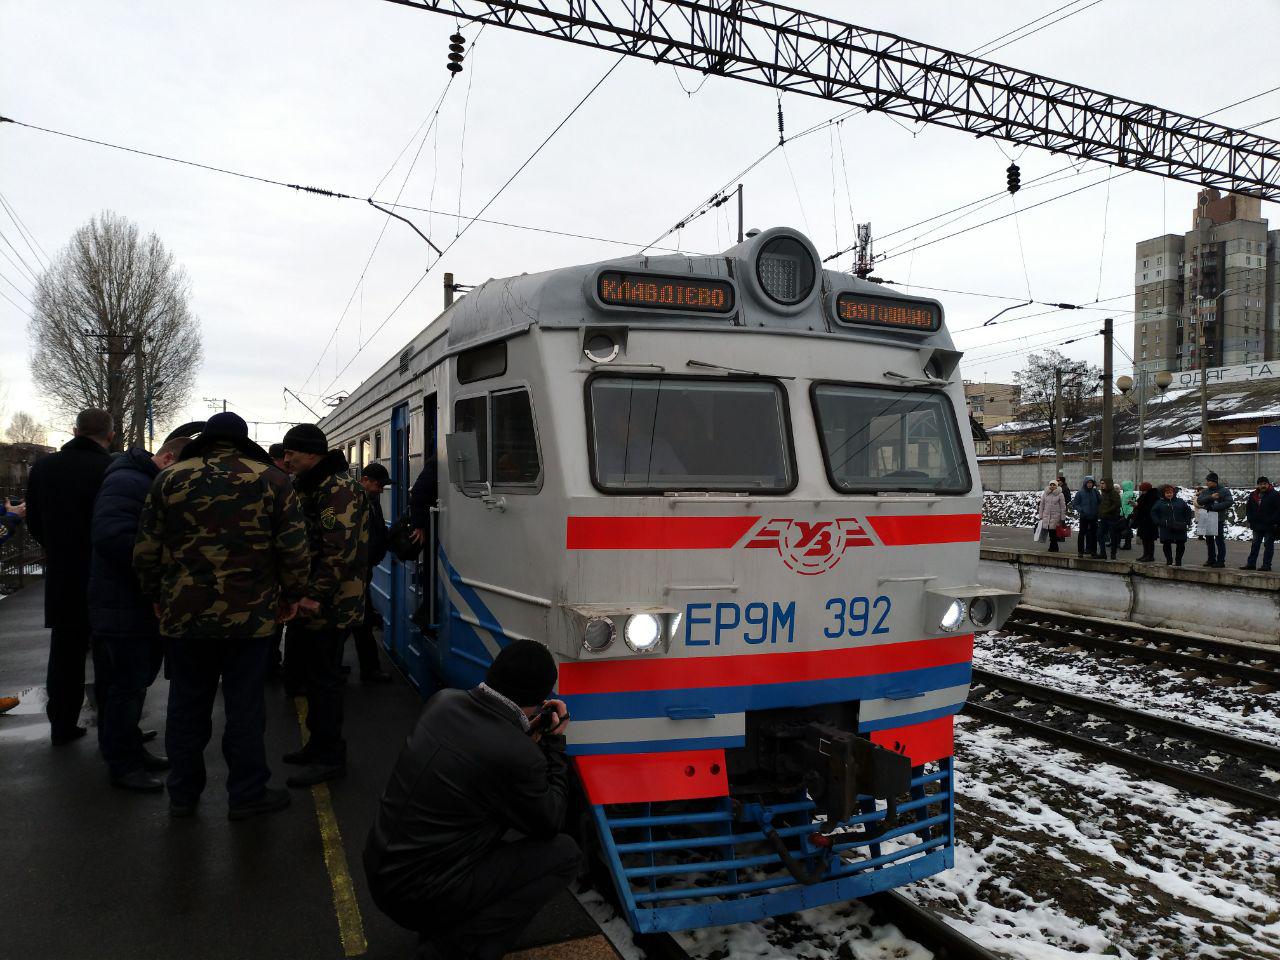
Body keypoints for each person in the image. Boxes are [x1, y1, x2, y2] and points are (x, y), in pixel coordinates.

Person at [134, 412, 310, 819]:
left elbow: (145, 549)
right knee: (245, 706)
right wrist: (293, 595)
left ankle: (182, 793)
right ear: (243, 441)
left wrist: (155, 595)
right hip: (250, 617)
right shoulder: (273, 480)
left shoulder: (169, 479)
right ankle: (247, 794)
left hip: (185, 616)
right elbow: (294, 549)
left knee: (186, 704)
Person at [364, 639, 580, 960]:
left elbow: (483, 753)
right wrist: (556, 745)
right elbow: (550, 821)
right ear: (540, 698)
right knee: (564, 854)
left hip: (381, 870)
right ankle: (451, 949)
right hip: (417, 896)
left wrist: (523, 739)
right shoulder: (518, 755)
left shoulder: (442, 703)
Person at [87, 436, 188, 791]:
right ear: (168, 459)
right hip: (122, 605)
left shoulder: (137, 479)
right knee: (124, 689)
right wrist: (163, 566)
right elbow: (113, 537)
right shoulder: (129, 481)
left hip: (128, 604)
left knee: (131, 687)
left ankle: (130, 752)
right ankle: (123, 766)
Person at [280, 423, 370, 788]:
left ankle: (331, 756)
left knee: (325, 679)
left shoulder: (337, 489)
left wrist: (314, 595)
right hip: (315, 599)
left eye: (292, 453)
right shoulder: (316, 484)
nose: (286, 459)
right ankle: (318, 745)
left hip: (331, 602)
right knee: (312, 677)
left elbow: (337, 550)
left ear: (312, 454)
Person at [24, 409, 115, 745]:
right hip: (104, 573)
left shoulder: (45, 467)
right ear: (110, 434)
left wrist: (56, 546)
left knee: (65, 652)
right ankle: (113, 727)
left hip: (63, 572)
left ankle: (62, 724)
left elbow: (33, 519)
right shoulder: (110, 468)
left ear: (75, 430)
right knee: (108, 652)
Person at [349, 463, 393, 683]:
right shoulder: (353, 501)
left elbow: (377, 532)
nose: (381, 489)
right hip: (353, 574)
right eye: (378, 484)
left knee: (359, 623)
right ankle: (369, 670)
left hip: (363, 572)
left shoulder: (372, 501)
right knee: (359, 623)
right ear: (364, 479)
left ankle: (369, 669)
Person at [1241, 476, 1279, 571]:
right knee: (1255, 545)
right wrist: (1250, 519)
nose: (1262, 486)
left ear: (1268, 484)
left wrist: (1272, 521)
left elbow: (1278, 510)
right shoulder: (1253, 495)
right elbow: (1249, 508)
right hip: (1257, 525)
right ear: (1258, 485)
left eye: (1264, 484)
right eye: (1260, 484)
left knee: (1268, 545)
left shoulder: (1275, 494)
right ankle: (1251, 564)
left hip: (1269, 525)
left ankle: (1266, 565)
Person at [1196, 472, 1233, 568]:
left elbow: (1229, 502)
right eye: (1207, 481)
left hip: (1218, 517)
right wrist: (1210, 497)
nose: (1207, 483)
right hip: (1206, 517)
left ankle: (1221, 561)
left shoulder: (1224, 491)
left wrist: (1214, 507)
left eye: (1209, 481)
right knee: (1209, 540)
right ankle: (1211, 559)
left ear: (1214, 481)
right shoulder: (1205, 491)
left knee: (1219, 540)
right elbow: (1199, 501)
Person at [1151, 483, 1193, 567]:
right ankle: (1169, 560)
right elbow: (1153, 512)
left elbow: (1188, 511)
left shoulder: (1180, 501)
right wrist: (1159, 522)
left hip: (1180, 526)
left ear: (1173, 493)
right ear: (1164, 494)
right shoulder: (1160, 503)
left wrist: (1187, 521)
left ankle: (1178, 561)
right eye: (1167, 493)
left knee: (1181, 544)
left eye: (1170, 492)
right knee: (1166, 544)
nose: (1169, 494)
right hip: (1166, 527)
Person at [1071, 476, 1101, 558]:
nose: (1089, 484)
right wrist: (1082, 510)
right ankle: (1080, 551)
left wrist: (1097, 511)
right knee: (1082, 534)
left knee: (1094, 535)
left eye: (1091, 483)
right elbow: (1075, 504)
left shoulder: (1095, 492)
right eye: (1088, 482)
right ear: (1085, 483)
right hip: (1084, 517)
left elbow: (1100, 502)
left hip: (1094, 516)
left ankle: (1093, 551)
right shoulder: (1080, 493)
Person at [1097, 478, 1123, 561]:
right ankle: (1103, 553)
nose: (1101, 485)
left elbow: (1117, 504)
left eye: (1103, 483)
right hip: (1104, 517)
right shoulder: (1103, 493)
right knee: (1100, 535)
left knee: (1113, 536)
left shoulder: (1114, 493)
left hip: (1112, 518)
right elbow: (1102, 505)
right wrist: (1100, 513)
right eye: (1101, 483)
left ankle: (1113, 554)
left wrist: (1106, 511)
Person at [1133, 481, 1160, 562]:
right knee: (1144, 539)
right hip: (1143, 521)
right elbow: (1141, 505)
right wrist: (1136, 505)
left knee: (1150, 540)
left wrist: (1138, 506)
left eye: (1143, 490)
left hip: (1150, 522)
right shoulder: (1144, 496)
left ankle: (1150, 556)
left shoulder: (1153, 497)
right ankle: (1145, 554)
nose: (1142, 492)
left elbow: (1149, 509)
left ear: (1147, 489)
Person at [1037, 481, 1066, 553]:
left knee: (1053, 531)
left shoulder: (1060, 494)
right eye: (1051, 485)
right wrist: (1041, 515)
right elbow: (1042, 505)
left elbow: (1063, 507)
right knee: (1050, 531)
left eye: (1054, 485)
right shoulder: (1045, 494)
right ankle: (1054, 546)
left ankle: (1053, 546)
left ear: (1056, 486)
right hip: (1046, 515)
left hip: (1056, 516)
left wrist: (1062, 518)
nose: (1052, 486)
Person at [1119, 479, 1137, 550]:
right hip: (1132, 512)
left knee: (1126, 529)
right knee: (1129, 529)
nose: (1122, 487)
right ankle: (1128, 544)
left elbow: (1124, 505)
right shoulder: (1132, 493)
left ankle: (1127, 544)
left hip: (1127, 513)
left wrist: (1122, 513)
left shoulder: (1125, 494)